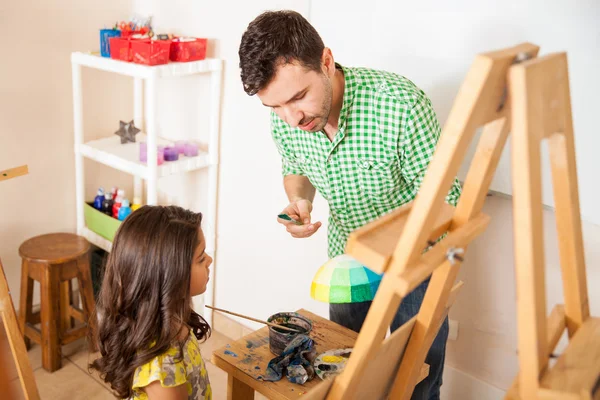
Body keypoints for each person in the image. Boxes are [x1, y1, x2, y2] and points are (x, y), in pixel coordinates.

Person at [238, 10, 461, 399]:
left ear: (326, 61)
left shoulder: (400, 105)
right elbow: (295, 169)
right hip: (347, 262)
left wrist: (393, 248)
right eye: (275, 107)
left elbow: (448, 200)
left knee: (418, 377)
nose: (292, 118)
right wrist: (298, 201)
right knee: (347, 371)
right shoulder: (287, 118)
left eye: (298, 97)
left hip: (418, 261)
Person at [90, 205, 213, 400]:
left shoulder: (172, 317)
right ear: (171, 278)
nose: (210, 260)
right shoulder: (162, 368)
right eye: (201, 258)